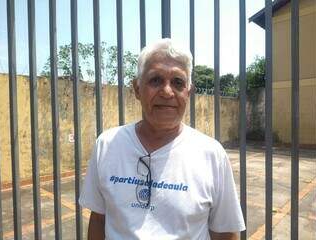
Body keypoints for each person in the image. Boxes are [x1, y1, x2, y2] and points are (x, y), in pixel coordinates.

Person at [79, 38, 245, 240]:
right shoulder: (107, 145)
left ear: (188, 92)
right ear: (137, 89)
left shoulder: (212, 154)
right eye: (155, 80)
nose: (167, 92)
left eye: (178, 82)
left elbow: (226, 232)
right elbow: (98, 219)